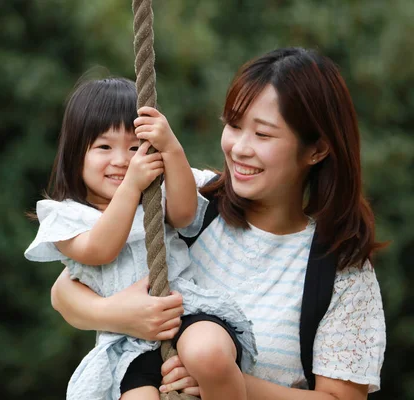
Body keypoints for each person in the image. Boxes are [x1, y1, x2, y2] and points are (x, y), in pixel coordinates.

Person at [51, 48, 387, 399]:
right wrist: (117, 314)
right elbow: (69, 285)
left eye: (263, 134)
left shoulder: (340, 269)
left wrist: (224, 381)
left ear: (316, 150)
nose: (240, 148)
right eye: (234, 125)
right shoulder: (187, 199)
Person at [24, 77, 257, 400]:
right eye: (104, 147)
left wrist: (171, 148)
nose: (122, 160)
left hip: (184, 311)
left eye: (135, 148)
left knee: (210, 354)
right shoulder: (64, 216)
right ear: (76, 153)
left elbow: (185, 214)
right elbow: (100, 250)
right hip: (127, 341)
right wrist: (131, 186)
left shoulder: (152, 194)